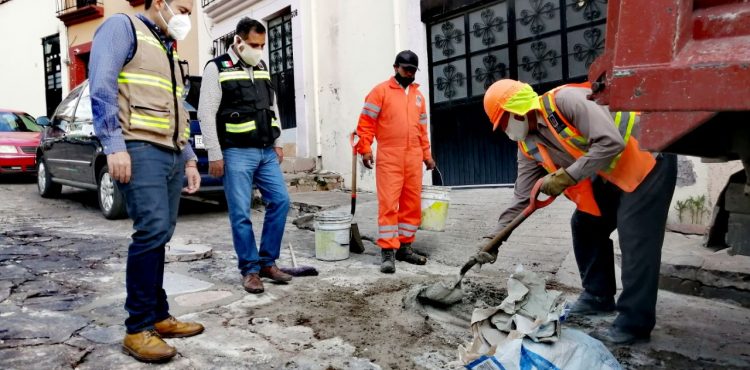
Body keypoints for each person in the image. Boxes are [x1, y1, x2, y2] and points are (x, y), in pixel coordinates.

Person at [478, 79, 677, 345]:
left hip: (646, 158)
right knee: (585, 225)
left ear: (516, 111)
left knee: (636, 238)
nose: (504, 130)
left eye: (503, 122)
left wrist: (567, 176)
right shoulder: (527, 146)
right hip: (611, 174)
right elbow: (522, 198)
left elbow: (610, 142)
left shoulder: (565, 101)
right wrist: (493, 239)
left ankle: (634, 323)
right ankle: (597, 296)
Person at [89, 0, 204, 363]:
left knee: (162, 233)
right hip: (138, 147)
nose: (187, 17)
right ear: (159, 3)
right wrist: (113, 146)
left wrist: (189, 160)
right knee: (151, 230)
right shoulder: (122, 27)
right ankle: (138, 328)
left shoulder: (167, 48)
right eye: (183, 8)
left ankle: (157, 315)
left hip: (170, 152)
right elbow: (102, 87)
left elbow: (179, 109)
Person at [198, 17, 291, 294]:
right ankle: (250, 270)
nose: (258, 49)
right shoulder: (217, 69)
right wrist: (214, 153)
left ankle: (267, 262)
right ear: (237, 41)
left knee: (281, 202)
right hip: (236, 152)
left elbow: (272, 108)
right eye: (253, 44)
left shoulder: (261, 66)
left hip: (265, 151)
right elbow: (206, 112)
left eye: (262, 45)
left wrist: (279, 141)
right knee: (241, 213)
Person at [355, 50, 436, 274]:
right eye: (405, 69)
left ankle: (405, 247)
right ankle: (388, 252)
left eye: (412, 70)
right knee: (389, 204)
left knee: (411, 204)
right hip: (390, 156)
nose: (409, 73)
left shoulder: (419, 97)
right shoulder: (380, 92)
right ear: (395, 67)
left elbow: (422, 130)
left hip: (413, 157)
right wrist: (365, 148)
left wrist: (427, 155)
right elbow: (366, 123)